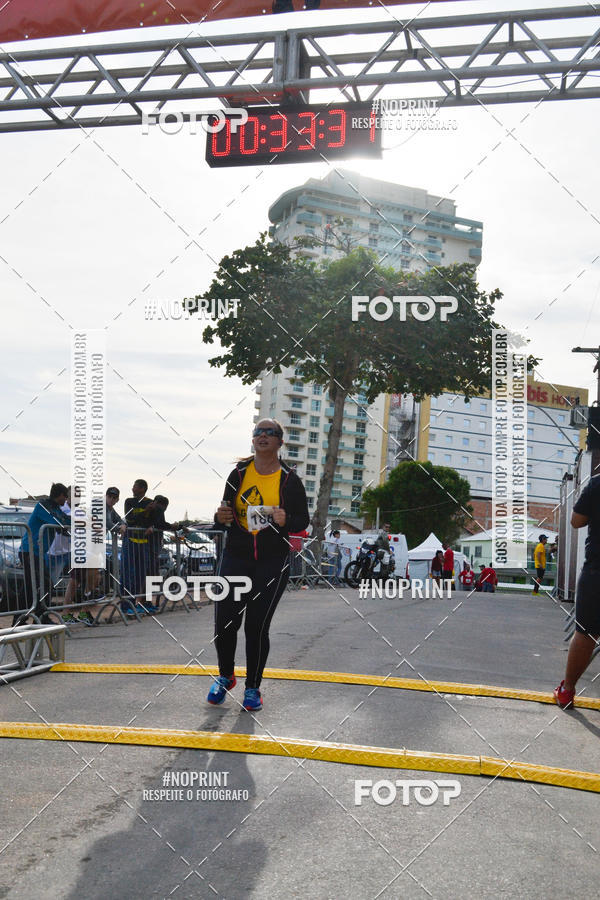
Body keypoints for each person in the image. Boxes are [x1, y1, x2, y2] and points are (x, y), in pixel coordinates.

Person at [210, 418, 309, 711]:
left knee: (257, 625)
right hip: (236, 556)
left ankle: (253, 688)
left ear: (280, 442)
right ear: (252, 440)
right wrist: (220, 517)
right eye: (258, 432)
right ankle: (225, 676)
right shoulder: (238, 473)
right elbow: (224, 513)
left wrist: (285, 520)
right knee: (224, 622)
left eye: (270, 433)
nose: (263, 436)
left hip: (272, 560)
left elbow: (303, 520)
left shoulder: (290, 480)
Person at [554, 475, 600, 709]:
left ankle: (567, 691)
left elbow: (576, 521)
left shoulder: (597, 483)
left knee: (586, 633)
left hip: (597, 571)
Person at [17, 483, 70, 624]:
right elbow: (58, 522)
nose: (66, 500)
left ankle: (40, 616)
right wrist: (64, 525)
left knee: (41, 584)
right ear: (60, 495)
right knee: (33, 585)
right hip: (29, 551)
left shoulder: (55, 508)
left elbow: (65, 520)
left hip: (38, 553)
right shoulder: (43, 506)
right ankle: (21, 619)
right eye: (65, 497)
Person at [120, 479, 154, 615]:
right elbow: (131, 519)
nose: (132, 488)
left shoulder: (149, 502)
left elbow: (150, 521)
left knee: (140, 576)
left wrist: (151, 525)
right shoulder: (129, 502)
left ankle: (134, 603)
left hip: (143, 543)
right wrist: (145, 511)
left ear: (142, 488)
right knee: (127, 574)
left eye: (135, 486)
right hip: (130, 542)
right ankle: (125, 605)